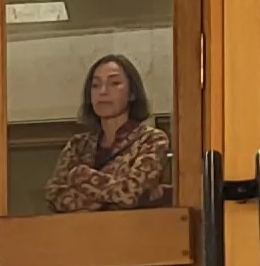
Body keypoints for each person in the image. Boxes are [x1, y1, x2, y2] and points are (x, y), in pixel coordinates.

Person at [43, 54, 177, 214]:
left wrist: (81, 175)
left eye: (114, 83)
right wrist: (110, 199)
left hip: (132, 233)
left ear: (132, 93)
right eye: (95, 85)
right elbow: (54, 194)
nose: (103, 91)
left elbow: (131, 193)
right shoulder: (78, 145)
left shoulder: (151, 139)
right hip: (79, 234)